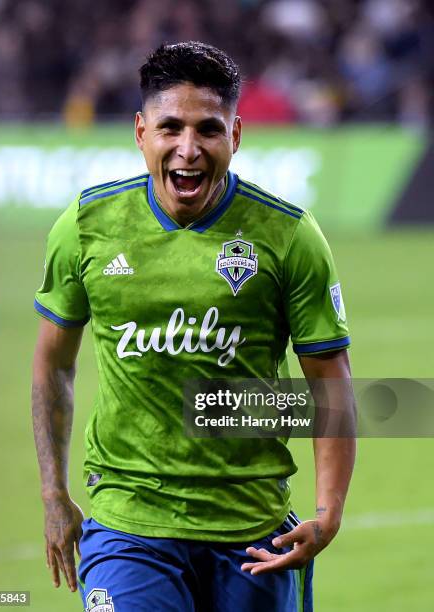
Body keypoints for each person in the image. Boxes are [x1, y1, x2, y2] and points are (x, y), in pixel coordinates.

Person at [32, 41, 356, 612]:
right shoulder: (86, 227)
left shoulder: (288, 237)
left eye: (208, 129)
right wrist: (54, 492)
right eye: (170, 128)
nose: (188, 149)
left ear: (235, 135)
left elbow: (328, 381)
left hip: (252, 531)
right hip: (128, 524)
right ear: (140, 133)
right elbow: (53, 365)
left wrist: (328, 512)